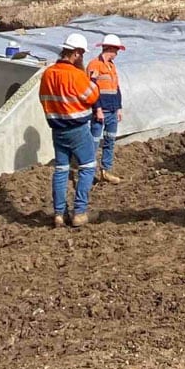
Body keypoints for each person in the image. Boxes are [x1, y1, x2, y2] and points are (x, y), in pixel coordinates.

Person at [38, 30, 101, 226]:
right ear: (76, 53)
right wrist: (93, 81)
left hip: (57, 130)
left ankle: (59, 214)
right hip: (77, 128)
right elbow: (91, 97)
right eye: (81, 54)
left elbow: (43, 98)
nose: (81, 58)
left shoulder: (48, 74)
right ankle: (80, 212)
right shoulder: (76, 75)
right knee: (88, 167)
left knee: (61, 170)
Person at [88, 32, 126, 184]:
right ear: (109, 48)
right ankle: (88, 173)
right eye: (116, 50)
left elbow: (116, 88)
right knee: (94, 141)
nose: (117, 53)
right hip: (100, 111)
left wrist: (119, 108)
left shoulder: (111, 66)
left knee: (110, 140)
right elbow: (92, 88)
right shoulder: (94, 65)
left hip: (112, 110)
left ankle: (105, 171)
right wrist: (97, 109)